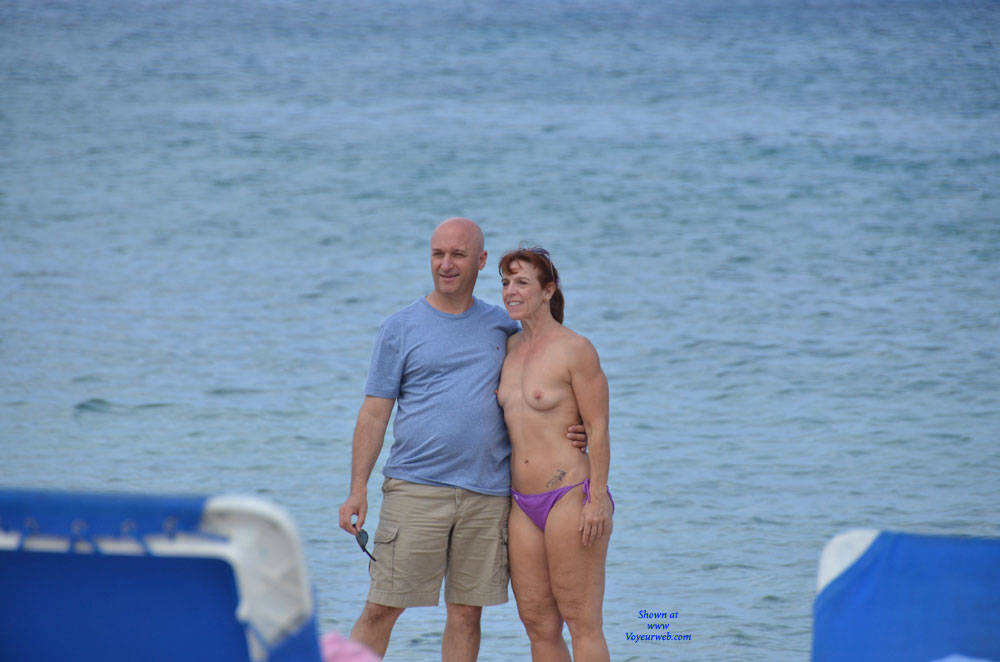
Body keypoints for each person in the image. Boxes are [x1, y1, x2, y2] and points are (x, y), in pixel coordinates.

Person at [337, 218, 585, 661]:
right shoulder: (400, 327)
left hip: (487, 494)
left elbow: (544, 382)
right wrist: (357, 489)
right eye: (438, 254)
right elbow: (374, 414)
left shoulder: (503, 327)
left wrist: (573, 426)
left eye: (457, 255)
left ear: (481, 260)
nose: (446, 264)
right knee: (381, 608)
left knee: (467, 614)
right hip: (416, 489)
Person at [495, 246, 613, 662]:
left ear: (548, 290)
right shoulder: (507, 348)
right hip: (521, 503)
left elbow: (598, 427)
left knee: (582, 621)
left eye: (522, 282)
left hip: (570, 495)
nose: (510, 291)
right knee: (538, 625)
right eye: (505, 282)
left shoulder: (575, 348)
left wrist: (596, 500)